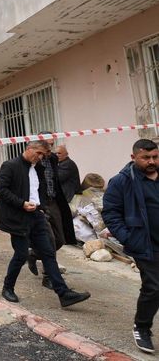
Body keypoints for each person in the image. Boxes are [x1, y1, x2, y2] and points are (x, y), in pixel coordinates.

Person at [0, 140, 91, 308]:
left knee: (48, 252)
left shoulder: (38, 168)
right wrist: (21, 203)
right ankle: (7, 288)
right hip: (18, 217)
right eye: (38, 153)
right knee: (21, 254)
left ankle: (64, 294)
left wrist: (42, 208)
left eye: (43, 155)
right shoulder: (10, 165)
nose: (39, 157)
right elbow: (0, 189)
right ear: (28, 148)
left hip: (37, 216)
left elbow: (41, 189)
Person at [102, 139, 159, 353]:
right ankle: (142, 327)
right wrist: (128, 238)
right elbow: (110, 213)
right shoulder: (121, 181)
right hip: (145, 244)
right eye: (146, 158)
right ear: (134, 157)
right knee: (154, 287)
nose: (151, 161)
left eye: (155, 156)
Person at [27, 133, 78, 287]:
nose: (50, 148)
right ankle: (48, 277)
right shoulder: (33, 161)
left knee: (60, 240)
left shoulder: (54, 159)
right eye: (47, 144)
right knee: (48, 239)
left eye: (51, 144)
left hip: (54, 201)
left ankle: (34, 254)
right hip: (39, 204)